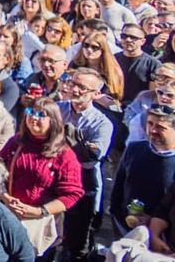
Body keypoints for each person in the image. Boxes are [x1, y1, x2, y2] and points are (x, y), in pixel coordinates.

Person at [0, 97, 83, 256]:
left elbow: (72, 194)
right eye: (30, 112)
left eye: (41, 115)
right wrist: (4, 196)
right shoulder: (16, 142)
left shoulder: (64, 155)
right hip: (8, 214)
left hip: (38, 222)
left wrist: (39, 211)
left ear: (53, 121)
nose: (33, 118)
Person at [58, 70, 113, 262]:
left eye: (82, 87)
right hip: (55, 176)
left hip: (83, 181)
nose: (75, 90)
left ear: (95, 94)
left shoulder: (102, 123)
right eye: (73, 84)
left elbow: (93, 156)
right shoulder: (58, 109)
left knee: (78, 239)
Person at [109, 103, 175, 237]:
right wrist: (119, 222)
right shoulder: (135, 149)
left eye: (160, 127)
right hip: (126, 228)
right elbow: (117, 192)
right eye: (150, 124)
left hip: (163, 238)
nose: (153, 130)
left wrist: (154, 223)